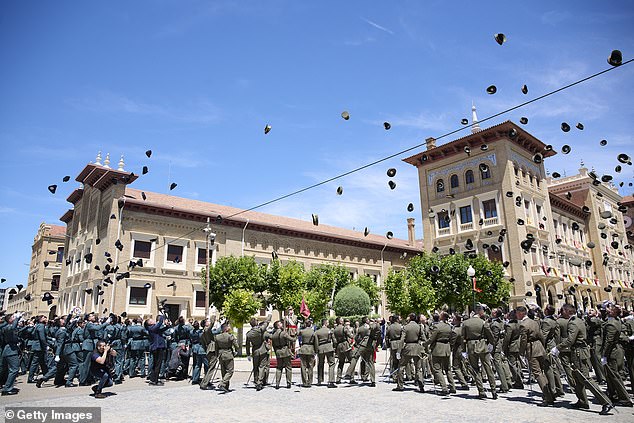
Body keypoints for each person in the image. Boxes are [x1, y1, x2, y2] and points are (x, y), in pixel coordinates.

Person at [552, 303, 613, 415]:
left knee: (585, 378)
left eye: (563, 310)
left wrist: (557, 348)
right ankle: (582, 401)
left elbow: (570, 340)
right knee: (576, 377)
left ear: (567, 311)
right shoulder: (578, 320)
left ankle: (606, 402)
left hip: (579, 352)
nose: (561, 312)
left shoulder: (573, 323)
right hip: (579, 351)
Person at [517, 305, 554, 406]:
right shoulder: (535, 322)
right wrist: (543, 346)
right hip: (539, 346)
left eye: (517, 313)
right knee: (543, 371)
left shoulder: (523, 325)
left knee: (537, 373)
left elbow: (523, 341)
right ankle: (551, 392)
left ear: (521, 313)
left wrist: (521, 353)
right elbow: (541, 335)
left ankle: (547, 397)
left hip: (531, 348)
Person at [462, 305, 497, 399]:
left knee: (475, 369)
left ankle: (481, 390)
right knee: (487, 367)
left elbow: (463, 337)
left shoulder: (465, 323)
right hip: (482, 344)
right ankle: (493, 390)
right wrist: (491, 345)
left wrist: (463, 350)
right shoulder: (483, 322)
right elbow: (490, 335)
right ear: (479, 312)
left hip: (471, 345)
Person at [600, 305, 632, 407]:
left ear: (612, 312)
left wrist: (604, 355)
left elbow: (608, 342)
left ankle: (625, 398)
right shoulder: (616, 321)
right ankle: (613, 395)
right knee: (610, 375)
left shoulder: (611, 325)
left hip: (612, 352)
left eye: (610, 308)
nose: (607, 309)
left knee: (614, 376)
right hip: (614, 350)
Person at [345, 316, 378, 387]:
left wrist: (357, 344)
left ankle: (349, 373)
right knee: (370, 362)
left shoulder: (360, 328)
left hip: (362, 345)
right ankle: (373, 380)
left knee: (355, 357)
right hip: (370, 345)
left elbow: (356, 337)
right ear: (366, 321)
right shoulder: (371, 326)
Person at [429, 311, 456, 395]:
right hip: (446, 348)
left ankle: (444, 387)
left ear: (442, 317)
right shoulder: (449, 327)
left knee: (437, 368)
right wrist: (450, 345)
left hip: (438, 348)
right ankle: (452, 386)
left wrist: (425, 344)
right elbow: (453, 336)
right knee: (448, 369)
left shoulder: (437, 327)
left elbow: (431, 339)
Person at [245, 314, 272, 391]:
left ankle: (256, 381)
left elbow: (247, 345)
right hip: (263, 349)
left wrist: (248, 354)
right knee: (262, 366)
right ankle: (259, 382)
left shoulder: (249, 334)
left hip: (255, 350)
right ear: (256, 323)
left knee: (255, 367)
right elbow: (266, 323)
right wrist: (269, 316)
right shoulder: (260, 329)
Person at [0, 312, 24, 395]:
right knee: (14, 369)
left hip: (8, 349)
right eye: (13, 317)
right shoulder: (8, 327)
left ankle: (7, 386)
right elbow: (13, 327)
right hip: (11, 350)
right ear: (10, 320)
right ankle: (7, 388)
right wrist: (17, 318)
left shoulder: (7, 327)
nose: (15, 318)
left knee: (8, 370)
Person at [214, 323, 238, 392]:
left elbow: (216, 348)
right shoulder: (230, 336)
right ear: (226, 328)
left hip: (221, 355)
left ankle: (225, 387)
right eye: (228, 326)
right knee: (230, 371)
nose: (229, 327)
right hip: (228, 354)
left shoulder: (217, 337)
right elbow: (237, 346)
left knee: (223, 371)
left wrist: (216, 356)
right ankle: (222, 383)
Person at [145, 314, 168, 386]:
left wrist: (167, 326)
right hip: (157, 347)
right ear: (149, 323)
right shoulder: (151, 328)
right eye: (151, 320)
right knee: (157, 364)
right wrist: (163, 316)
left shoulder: (154, 328)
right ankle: (154, 380)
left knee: (157, 364)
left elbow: (161, 330)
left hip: (158, 347)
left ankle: (154, 379)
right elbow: (159, 323)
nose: (153, 320)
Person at [271, 320, 295, 389]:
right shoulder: (283, 333)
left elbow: (274, 346)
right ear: (278, 326)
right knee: (288, 367)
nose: (282, 324)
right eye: (280, 324)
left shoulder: (273, 335)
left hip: (278, 352)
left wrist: (276, 352)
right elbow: (292, 339)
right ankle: (288, 383)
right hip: (285, 351)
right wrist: (295, 336)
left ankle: (277, 383)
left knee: (279, 368)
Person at [315, 319, 337, 388]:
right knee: (331, 364)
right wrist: (334, 347)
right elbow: (334, 341)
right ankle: (331, 381)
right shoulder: (330, 331)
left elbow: (316, 342)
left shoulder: (317, 332)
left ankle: (319, 380)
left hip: (320, 348)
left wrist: (316, 350)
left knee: (320, 364)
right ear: (326, 323)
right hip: (329, 347)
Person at [297, 319, 317, 388]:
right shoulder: (313, 332)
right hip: (311, 349)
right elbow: (316, 342)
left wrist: (298, 325)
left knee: (303, 366)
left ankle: (304, 382)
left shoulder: (302, 331)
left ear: (305, 324)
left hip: (303, 349)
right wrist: (316, 351)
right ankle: (309, 382)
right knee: (310, 366)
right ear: (310, 324)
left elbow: (296, 333)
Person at [385, 315, 403, 388]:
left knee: (394, 361)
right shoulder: (400, 327)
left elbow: (386, 337)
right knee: (400, 361)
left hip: (393, 344)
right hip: (400, 343)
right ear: (397, 319)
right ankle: (400, 376)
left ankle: (394, 376)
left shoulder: (389, 327)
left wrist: (388, 345)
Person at [333, 317, 353, 384]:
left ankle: (338, 378)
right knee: (352, 361)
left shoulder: (335, 329)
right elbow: (350, 335)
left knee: (341, 363)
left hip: (339, 346)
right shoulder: (344, 328)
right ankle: (351, 378)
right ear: (340, 322)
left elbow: (334, 341)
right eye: (342, 320)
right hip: (345, 345)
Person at [189, 320, 207, 385]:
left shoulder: (191, 332)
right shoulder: (200, 332)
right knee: (205, 364)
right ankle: (206, 379)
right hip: (200, 347)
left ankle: (195, 378)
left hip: (194, 347)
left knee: (196, 364)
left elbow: (191, 339)